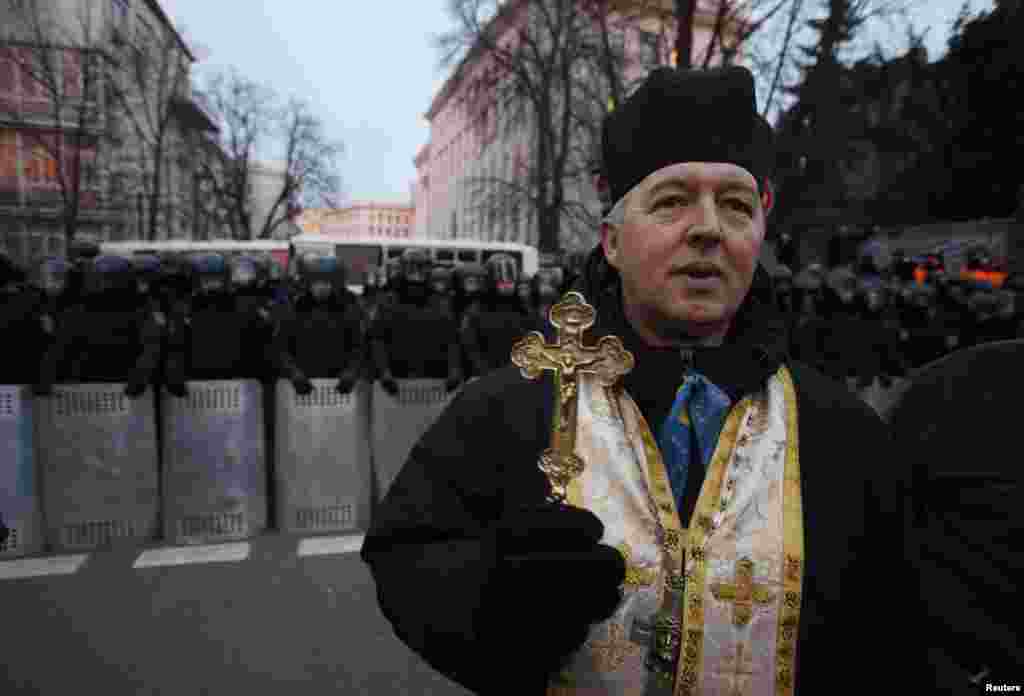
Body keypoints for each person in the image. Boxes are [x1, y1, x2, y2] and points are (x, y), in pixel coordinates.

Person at [361, 66, 928, 695]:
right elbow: (406, 557)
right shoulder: (511, 408)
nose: (709, 228)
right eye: (673, 201)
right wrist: (492, 598)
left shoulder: (840, 432)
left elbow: (892, 640)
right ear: (611, 241)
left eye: (736, 205)